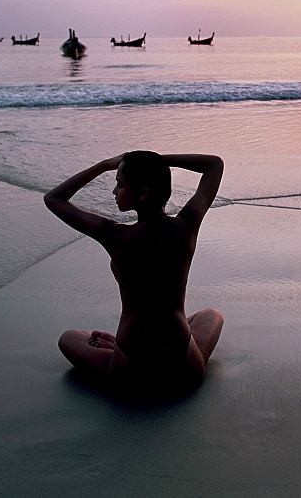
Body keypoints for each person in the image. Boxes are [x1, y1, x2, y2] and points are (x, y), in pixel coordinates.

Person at [44, 152, 225, 400]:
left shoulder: (114, 235)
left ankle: (114, 347)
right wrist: (153, 161)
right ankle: (119, 346)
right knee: (211, 315)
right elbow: (214, 164)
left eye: (120, 184)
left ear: (142, 193)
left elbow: (54, 198)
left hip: (131, 371)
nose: (114, 192)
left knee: (69, 338)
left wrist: (104, 164)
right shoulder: (187, 225)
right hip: (185, 369)